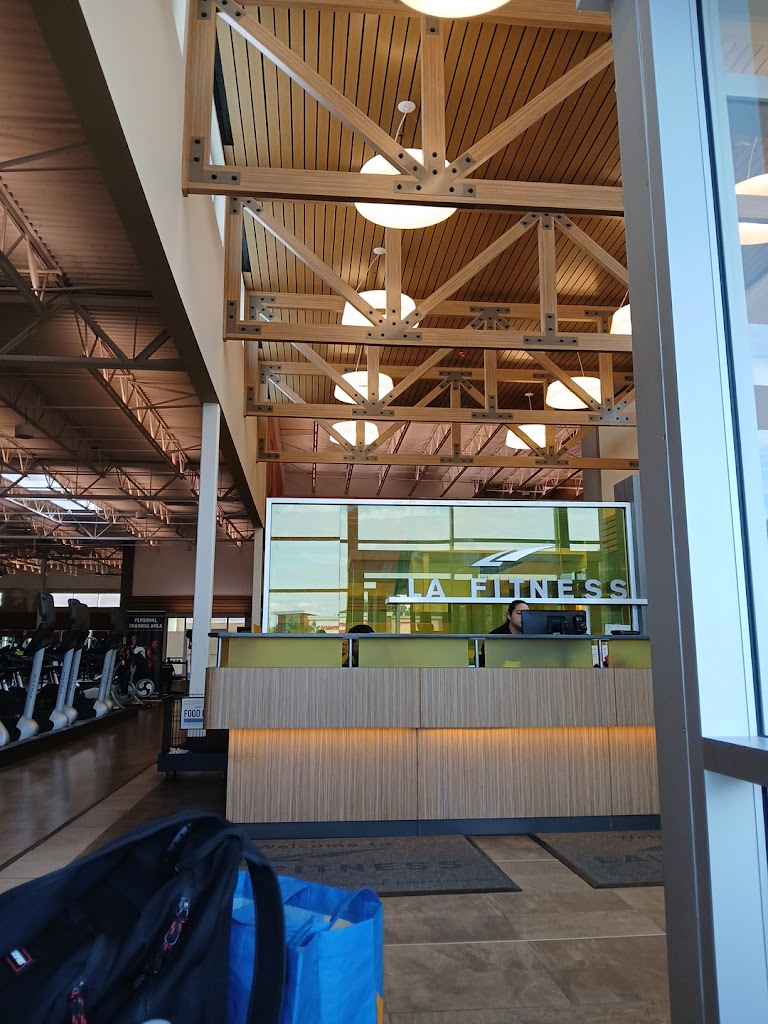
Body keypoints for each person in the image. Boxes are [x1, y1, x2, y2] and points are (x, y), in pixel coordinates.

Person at [479, 600, 529, 666]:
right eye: (519, 613)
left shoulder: (532, 635)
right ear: (509, 616)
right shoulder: (495, 637)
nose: (523, 616)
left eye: (527, 614)